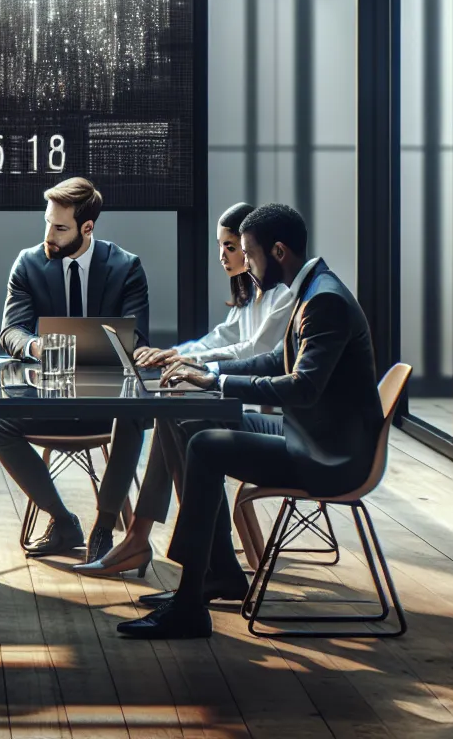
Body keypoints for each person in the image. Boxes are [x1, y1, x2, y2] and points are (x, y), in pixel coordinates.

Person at [118, 203, 382, 639]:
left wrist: (217, 381)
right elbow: (274, 359)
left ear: (278, 252)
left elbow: (302, 388)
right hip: (311, 434)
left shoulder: (324, 301)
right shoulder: (311, 288)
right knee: (190, 423)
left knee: (205, 445)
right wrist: (209, 374)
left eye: (250, 254)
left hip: (330, 455)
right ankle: (220, 572)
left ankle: (189, 605)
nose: (246, 265)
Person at [73, 201, 294, 576]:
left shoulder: (282, 295)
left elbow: (253, 351)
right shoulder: (250, 293)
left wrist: (191, 363)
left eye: (231, 246)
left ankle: (176, 545)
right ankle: (149, 540)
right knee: (168, 409)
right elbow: (222, 337)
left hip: (265, 411)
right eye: (220, 245)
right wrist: (175, 355)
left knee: (176, 413)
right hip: (238, 396)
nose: (223, 256)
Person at [0, 177, 156, 563]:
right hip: (49, 397)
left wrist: (88, 348)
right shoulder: (28, 264)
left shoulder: (126, 267)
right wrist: (36, 346)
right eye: (47, 222)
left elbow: (135, 339)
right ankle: (62, 521)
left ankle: (104, 527)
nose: (49, 235)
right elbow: (11, 331)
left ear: (87, 227)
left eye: (60, 228)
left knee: (131, 411)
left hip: (107, 401)